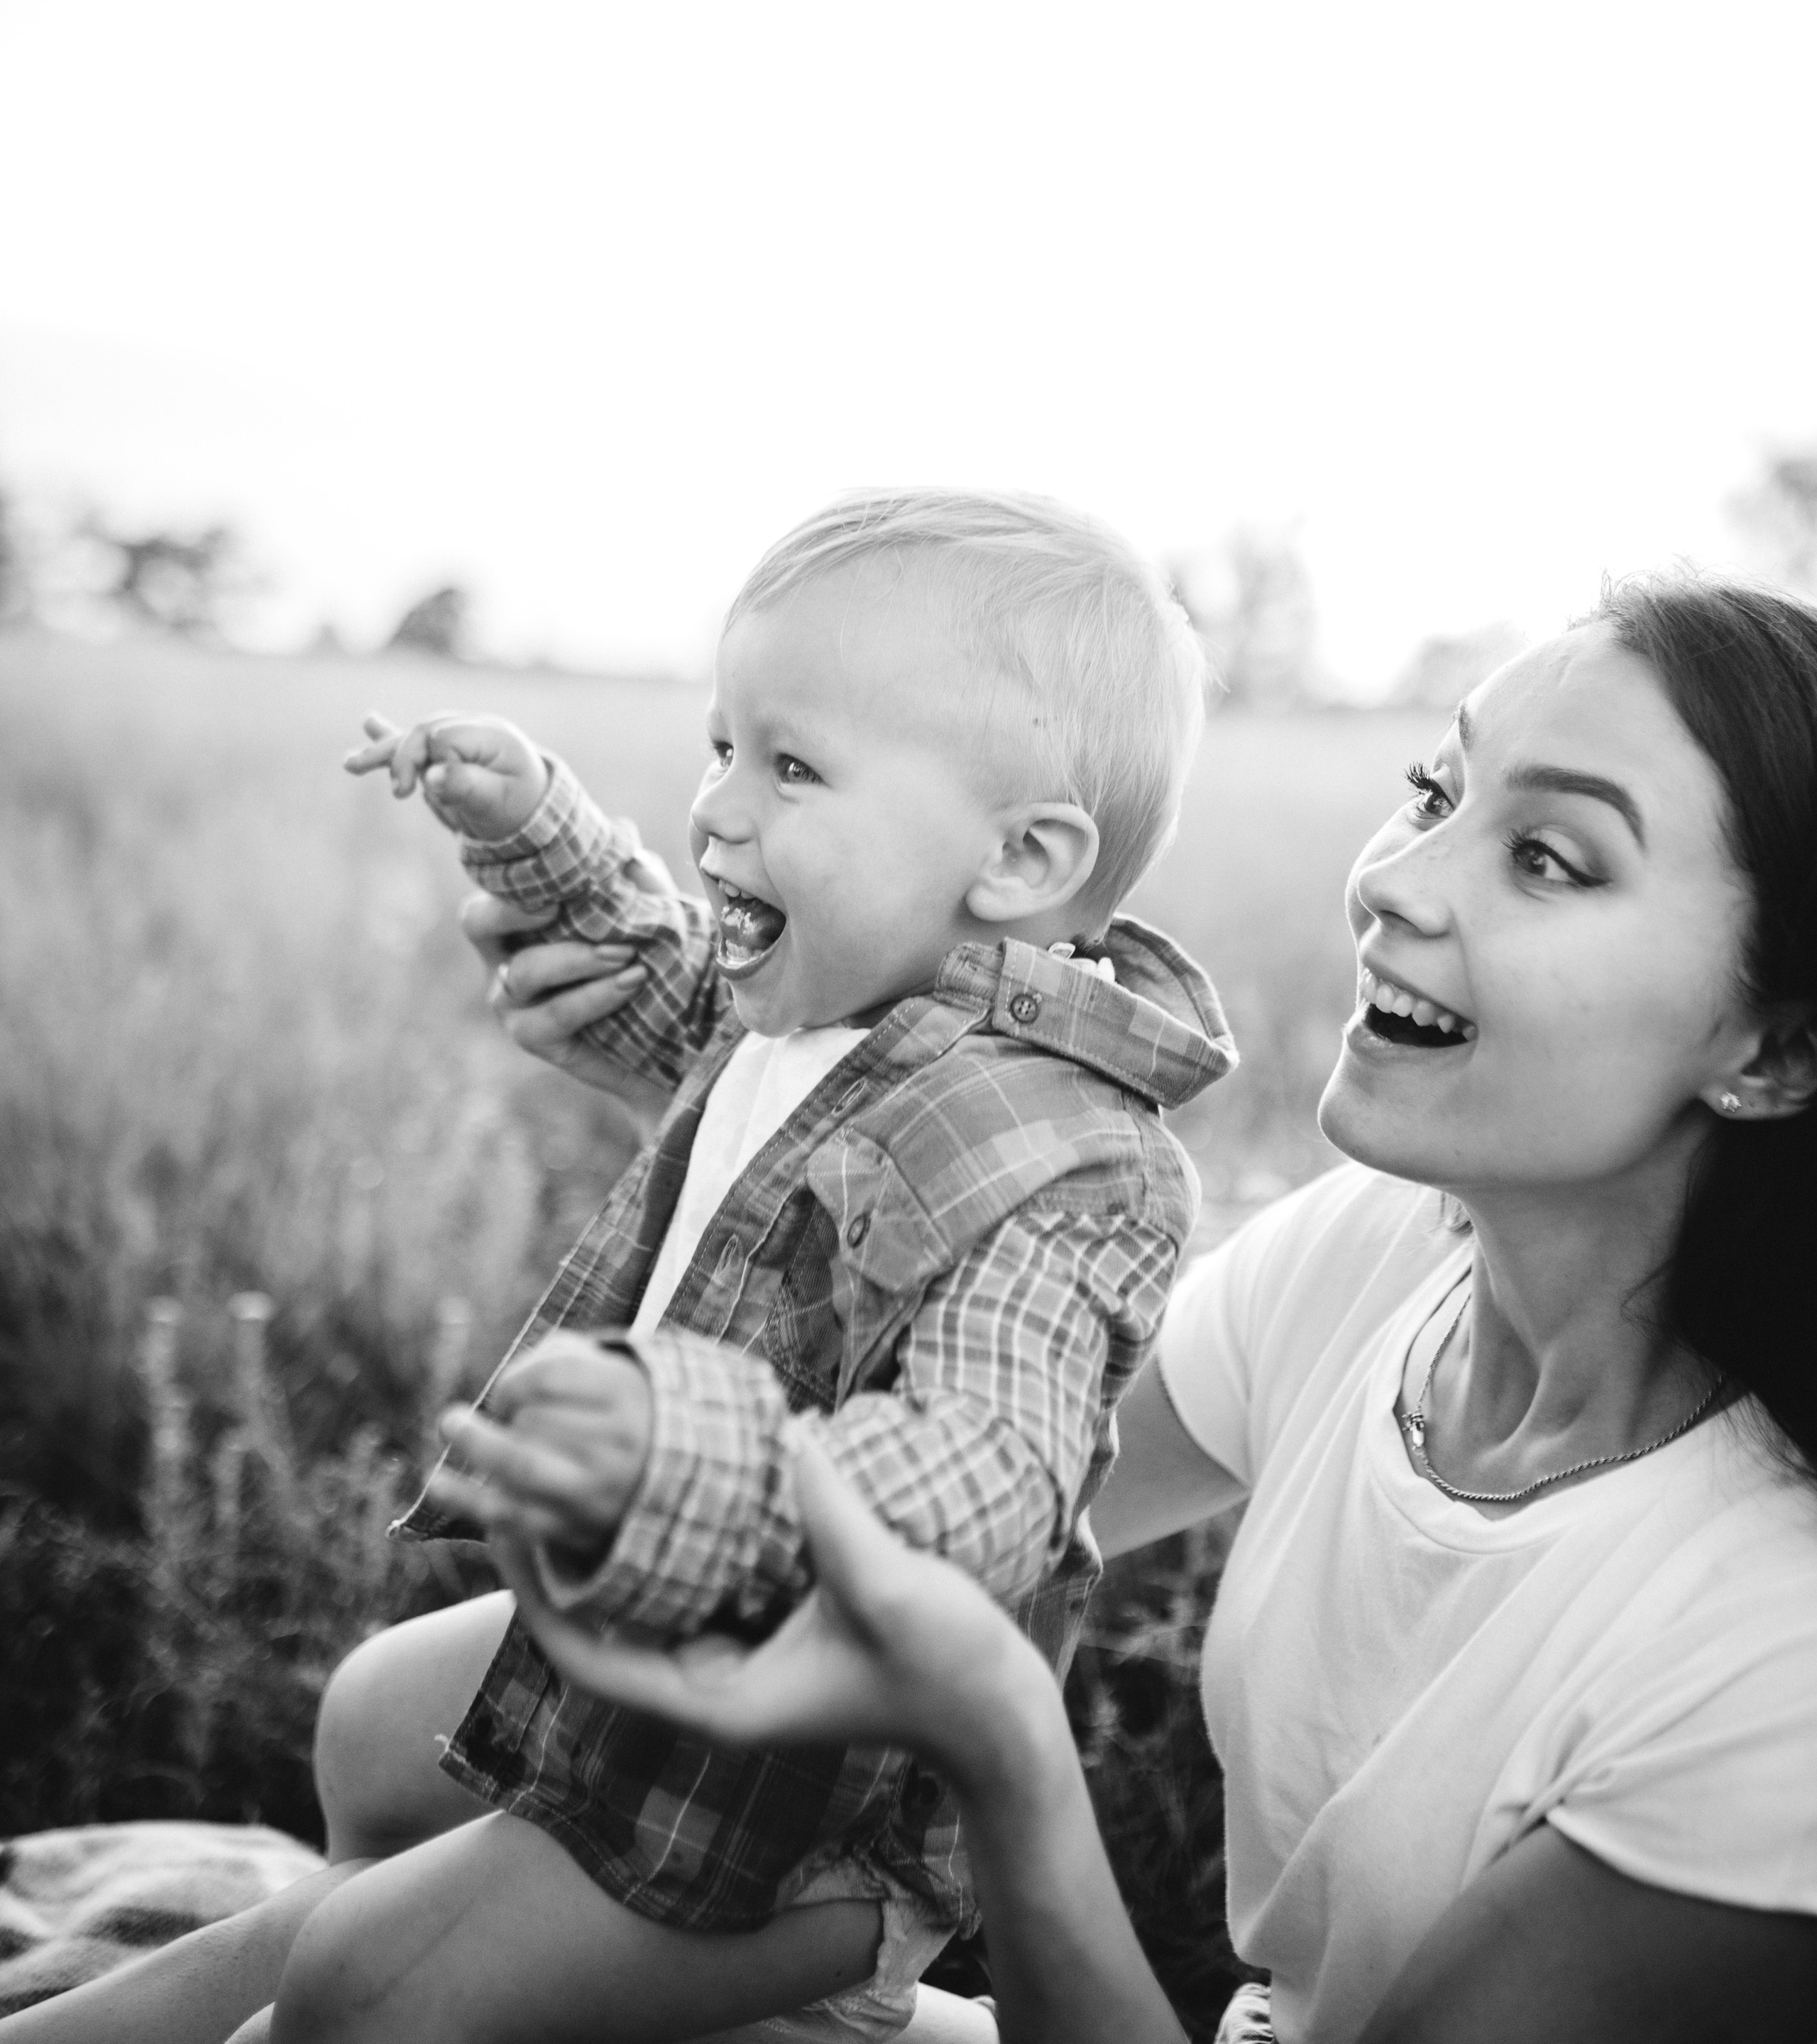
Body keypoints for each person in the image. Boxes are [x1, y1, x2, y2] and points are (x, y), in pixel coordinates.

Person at [481, 573, 1817, 2043]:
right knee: (379, 1745)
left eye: (1549, 859)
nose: (1397, 880)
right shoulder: (1381, 1252)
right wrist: (744, 1117)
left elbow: (942, 1590)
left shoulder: (1777, 1673)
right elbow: (970, 1459)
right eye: (1433, 790)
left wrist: (1002, 1750)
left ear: (1776, 1052)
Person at [5, 491, 1229, 2044]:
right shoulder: (839, 1005)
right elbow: (669, 989)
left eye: (790, 768)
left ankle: (465, 1979)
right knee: (376, 1722)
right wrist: (535, 833)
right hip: (677, 1637)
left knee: (360, 1986)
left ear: (1021, 856)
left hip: (804, 1786)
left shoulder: (1072, 1160)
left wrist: (685, 1454)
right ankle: (419, 1932)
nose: (716, 809)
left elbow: (987, 1478)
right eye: (724, 745)